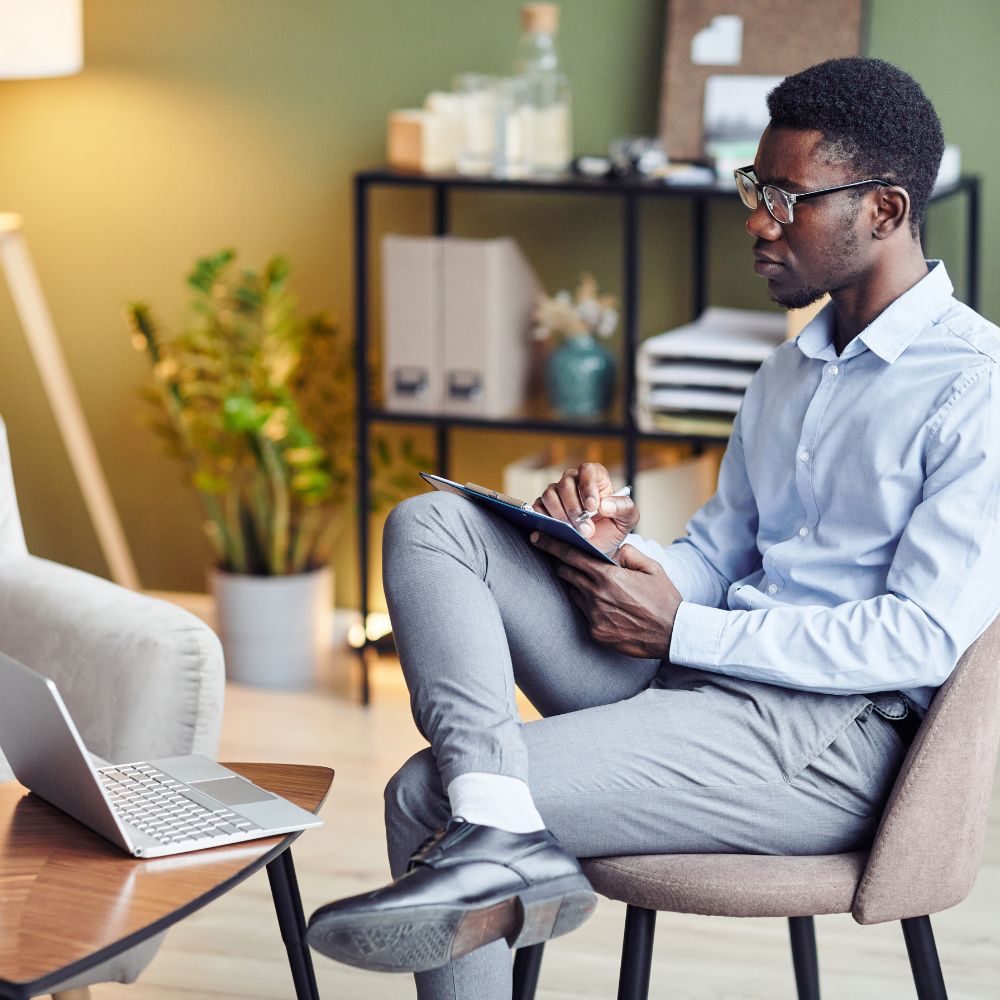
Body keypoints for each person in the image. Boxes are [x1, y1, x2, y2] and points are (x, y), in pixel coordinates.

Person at [308, 56, 1000, 999]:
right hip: (707, 675)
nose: (757, 219)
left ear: (883, 210)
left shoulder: (974, 388)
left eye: (789, 196)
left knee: (427, 794)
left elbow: (918, 636)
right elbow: (719, 554)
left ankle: (489, 828)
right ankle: (501, 830)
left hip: (827, 740)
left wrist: (682, 627)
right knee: (435, 523)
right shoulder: (790, 370)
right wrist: (619, 549)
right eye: (756, 187)